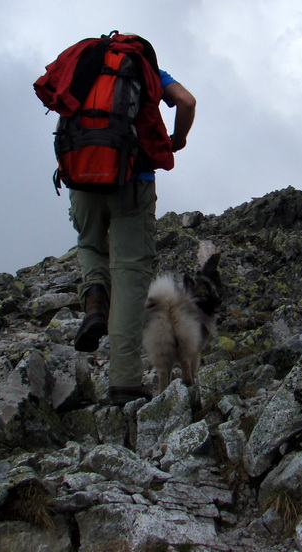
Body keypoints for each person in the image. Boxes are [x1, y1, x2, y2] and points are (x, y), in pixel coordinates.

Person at [70, 66, 196, 407]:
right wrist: (178, 138)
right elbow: (186, 101)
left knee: (90, 243)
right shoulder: (149, 71)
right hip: (132, 177)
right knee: (129, 271)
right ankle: (124, 381)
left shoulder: (83, 69)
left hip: (81, 173)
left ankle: (95, 298)